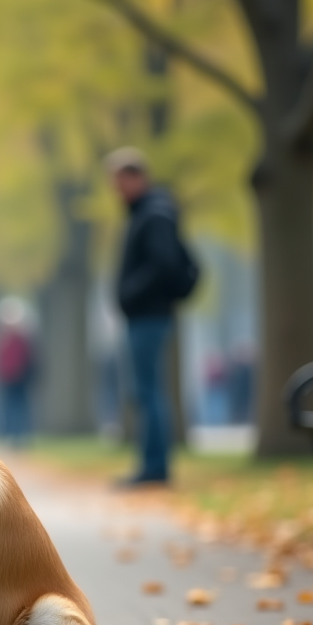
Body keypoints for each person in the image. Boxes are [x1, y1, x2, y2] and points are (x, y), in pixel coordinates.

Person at [105, 147, 195, 486]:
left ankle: (155, 466)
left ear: (137, 177)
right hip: (147, 315)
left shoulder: (154, 214)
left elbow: (164, 264)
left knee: (148, 390)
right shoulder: (149, 211)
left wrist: (130, 293)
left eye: (120, 182)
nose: (117, 190)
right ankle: (153, 464)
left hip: (149, 315)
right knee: (146, 390)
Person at [0, 296, 35, 446]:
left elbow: (28, 358)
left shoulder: (22, 338)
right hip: (7, 378)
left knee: (20, 407)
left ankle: (21, 436)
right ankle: (10, 435)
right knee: (9, 408)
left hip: (20, 378)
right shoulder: (3, 338)